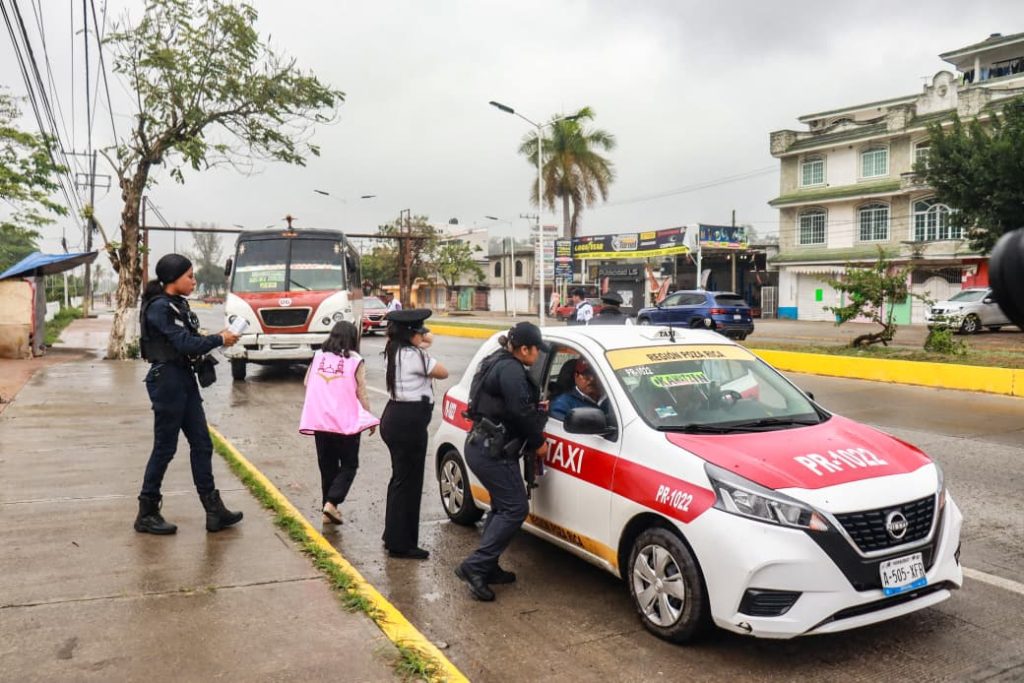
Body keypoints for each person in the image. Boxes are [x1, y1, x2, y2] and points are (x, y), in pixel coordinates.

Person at [134, 253, 243, 535]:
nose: (194, 281)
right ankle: (146, 512)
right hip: (167, 379)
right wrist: (219, 339)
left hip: (183, 377)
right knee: (165, 448)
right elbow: (183, 343)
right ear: (173, 279)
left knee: (202, 444)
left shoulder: (176, 304)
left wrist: (217, 337)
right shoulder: (159, 307)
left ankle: (213, 509)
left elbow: (191, 339)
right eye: (190, 276)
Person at [456, 322, 549, 601]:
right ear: (523, 349)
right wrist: (539, 442)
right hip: (492, 450)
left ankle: (488, 566)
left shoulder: (497, 360)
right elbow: (520, 413)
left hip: (482, 445)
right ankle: (475, 567)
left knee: (500, 507)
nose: (538, 356)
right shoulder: (511, 370)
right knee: (515, 508)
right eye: (536, 351)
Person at [379, 309, 448, 559]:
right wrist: (422, 340)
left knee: (399, 480)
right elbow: (443, 372)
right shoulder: (415, 356)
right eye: (418, 331)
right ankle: (402, 544)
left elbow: (426, 341)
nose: (423, 335)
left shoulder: (393, 350)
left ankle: (392, 535)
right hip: (409, 422)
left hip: (394, 418)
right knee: (409, 483)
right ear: (410, 334)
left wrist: (418, 336)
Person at [299, 321, 379, 526]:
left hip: (321, 421)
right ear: (353, 338)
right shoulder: (355, 361)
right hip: (346, 422)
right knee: (350, 464)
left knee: (327, 467)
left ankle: (328, 511)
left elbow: (308, 382)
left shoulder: (318, 356)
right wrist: (369, 418)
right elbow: (361, 392)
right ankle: (332, 503)